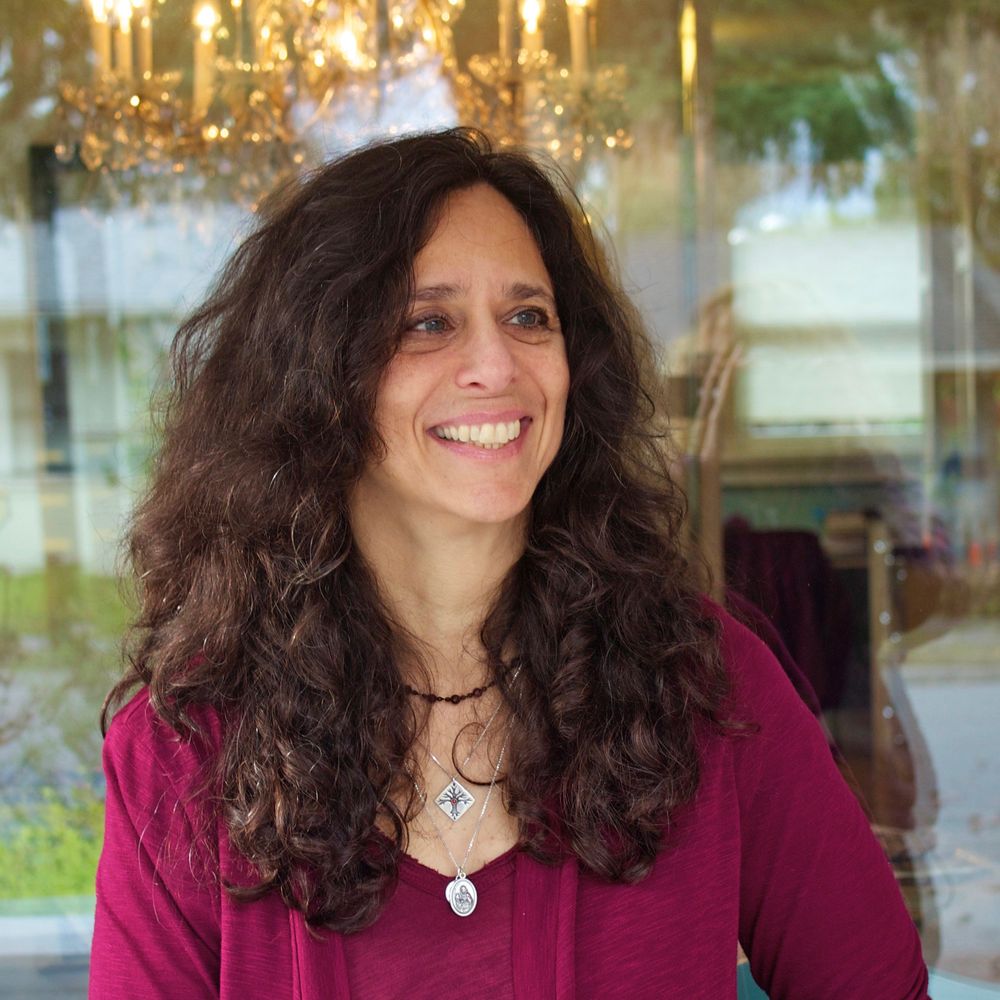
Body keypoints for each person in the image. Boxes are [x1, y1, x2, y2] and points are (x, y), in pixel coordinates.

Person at [89, 128, 929, 999]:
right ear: (318, 378)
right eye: (428, 322)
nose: (495, 365)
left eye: (529, 317)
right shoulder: (181, 755)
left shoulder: (708, 689)